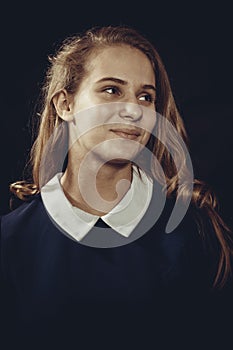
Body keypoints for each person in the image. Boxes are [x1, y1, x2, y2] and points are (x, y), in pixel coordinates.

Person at [1, 25, 233, 349]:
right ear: (65, 105)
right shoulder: (9, 242)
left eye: (145, 96)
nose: (132, 109)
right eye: (111, 90)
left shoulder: (195, 232)